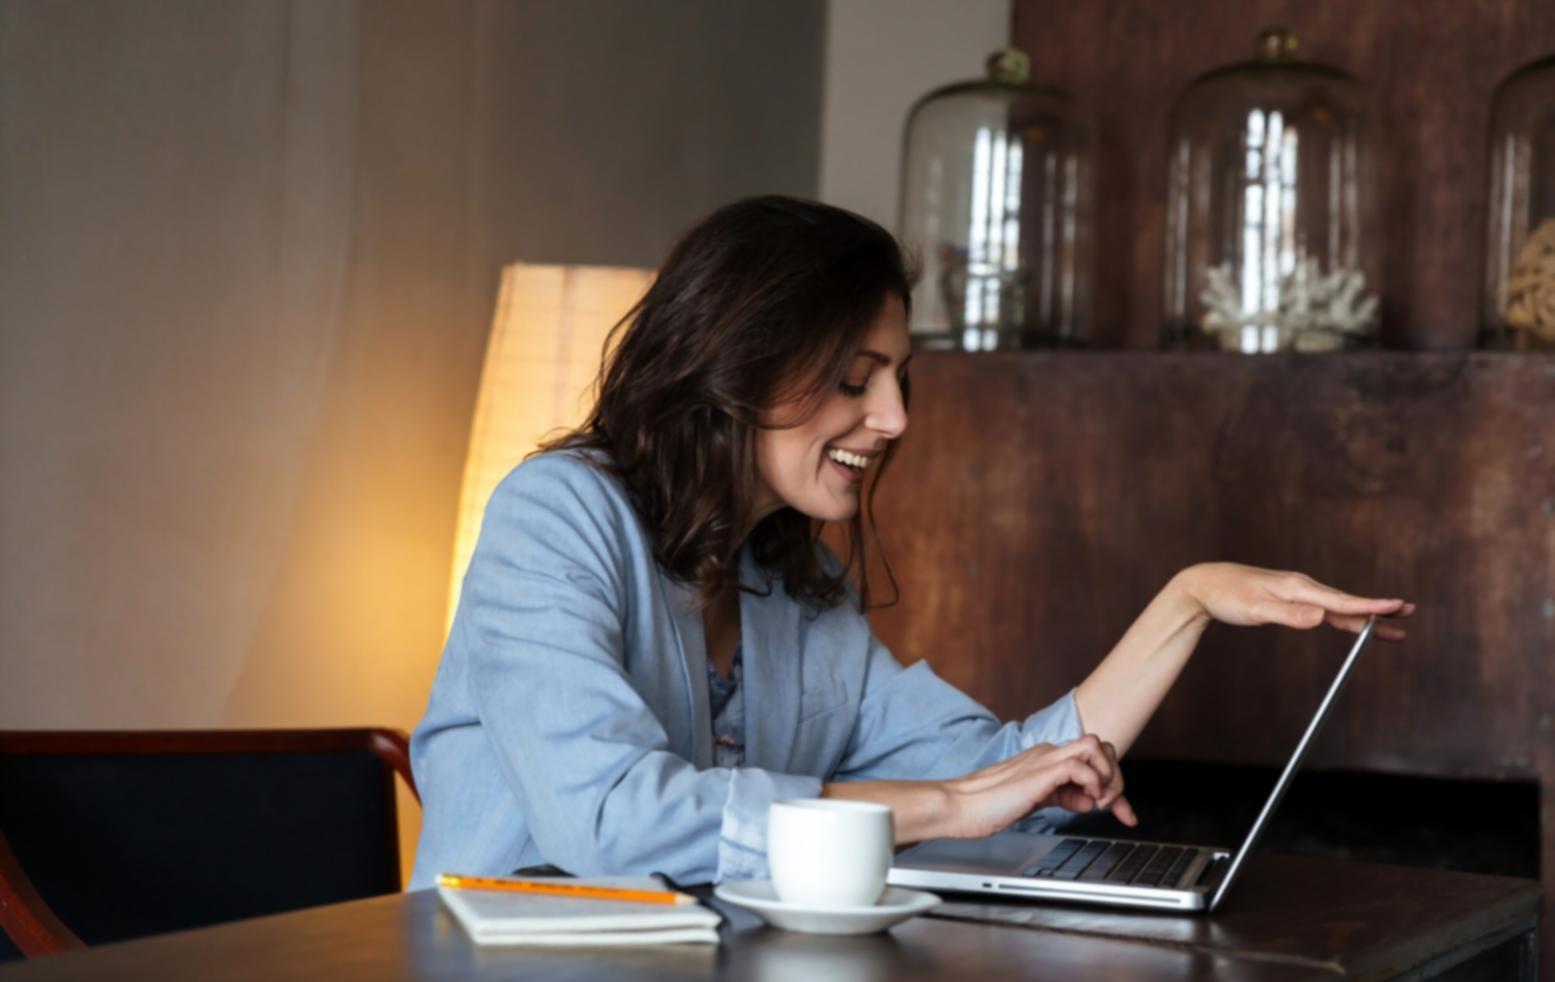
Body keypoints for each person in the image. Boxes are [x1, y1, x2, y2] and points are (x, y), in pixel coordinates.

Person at [407, 196, 1412, 888]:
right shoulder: (555, 514)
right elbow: (613, 818)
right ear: (735, 368)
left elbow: (1009, 781)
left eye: (897, 377)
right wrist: (938, 805)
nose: (893, 417)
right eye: (855, 377)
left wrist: (1187, 600)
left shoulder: (792, 587)